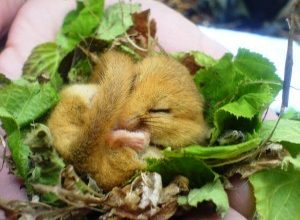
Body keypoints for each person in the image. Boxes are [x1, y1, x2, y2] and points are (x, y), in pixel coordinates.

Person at [0, 0, 254, 219]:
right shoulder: (115, 82)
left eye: (161, 111)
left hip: (101, 158)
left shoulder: (188, 134)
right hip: (77, 131)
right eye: (133, 86)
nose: (129, 113)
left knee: (150, 158)